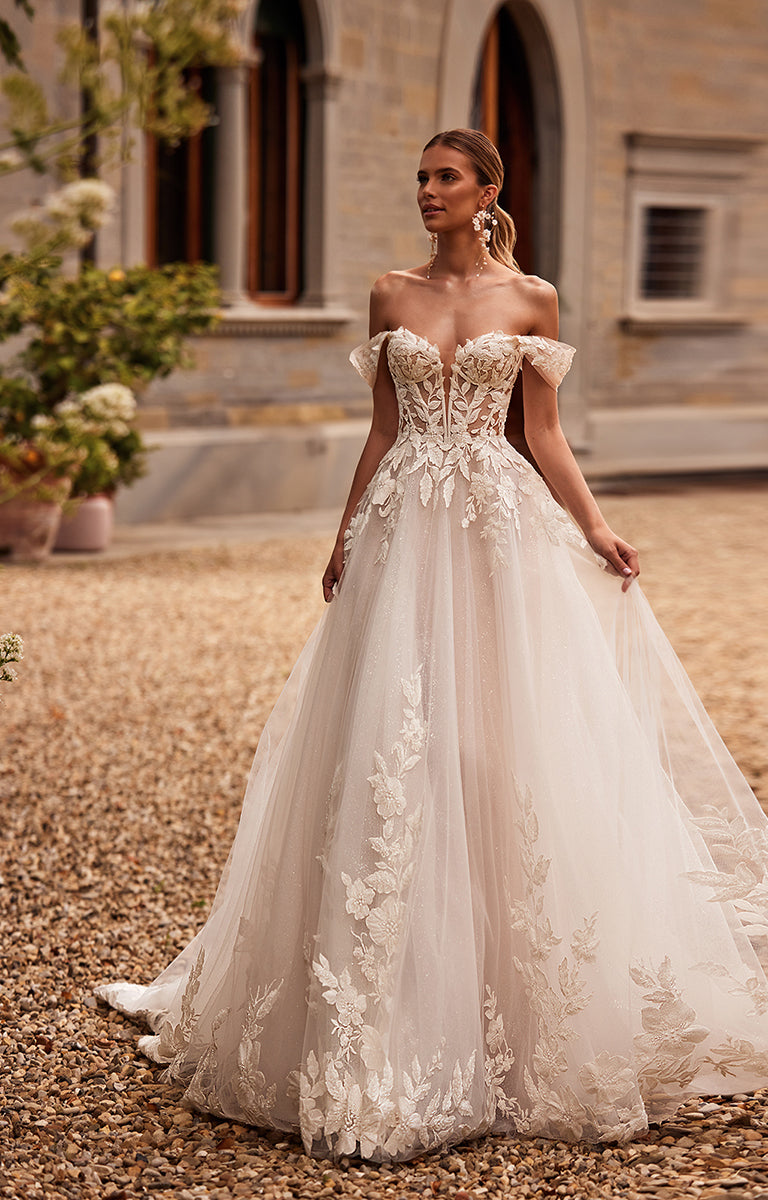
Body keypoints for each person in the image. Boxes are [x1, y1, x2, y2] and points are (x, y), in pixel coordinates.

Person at [97, 129, 768, 1163]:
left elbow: (541, 433)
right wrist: (345, 531)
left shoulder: (532, 298)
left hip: (497, 540)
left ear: (487, 190)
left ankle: (516, 996)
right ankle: (383, 998)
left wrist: (593, 529)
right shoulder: (388, 294)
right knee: (391, 743)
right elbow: (380, 426)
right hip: (407, 531)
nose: (426, 191)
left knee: (505, 740)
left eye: (444, 177)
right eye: (418, 176)